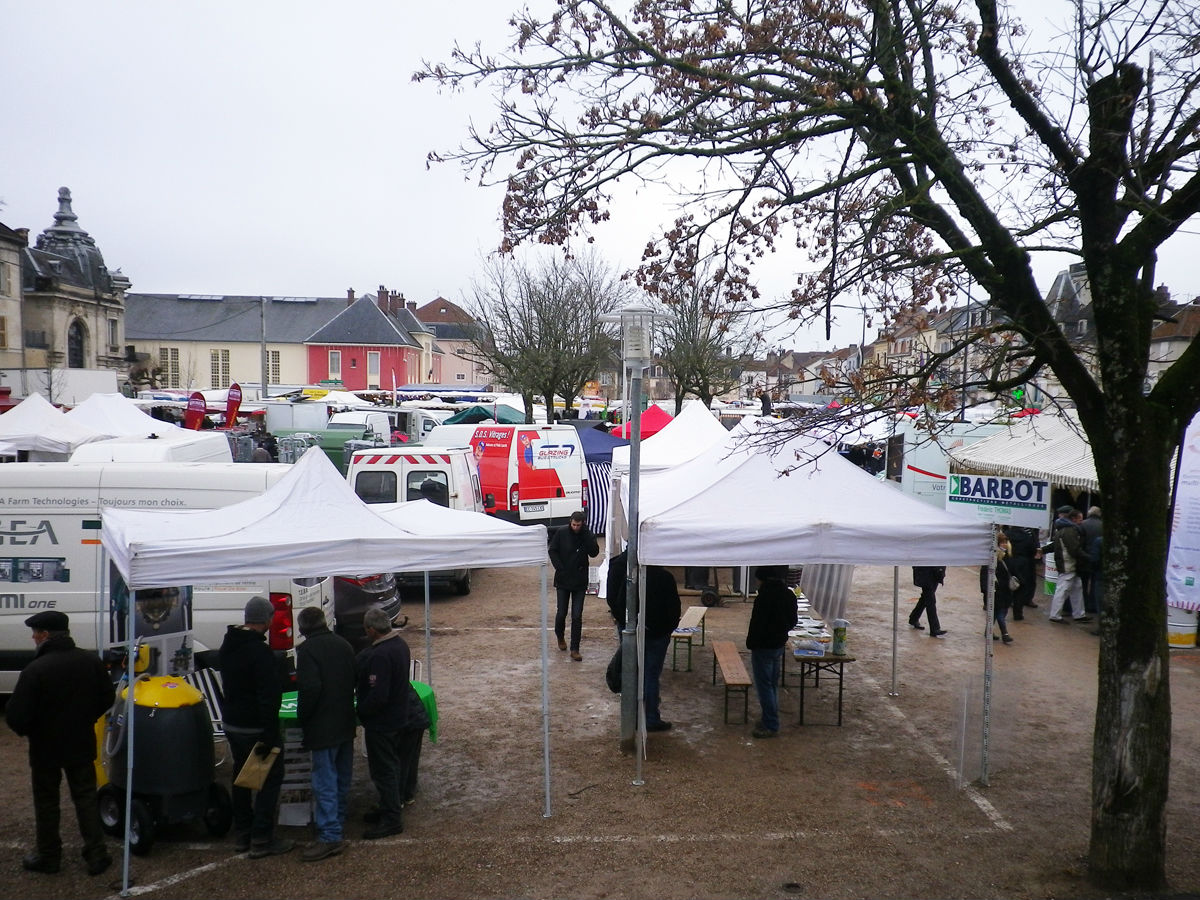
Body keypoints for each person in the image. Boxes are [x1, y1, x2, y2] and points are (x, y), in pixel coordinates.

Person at [6, 611, 115, 877]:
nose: (33, 638)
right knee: (86, 797)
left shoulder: (36, 670)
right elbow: (107, 697)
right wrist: (85, 718)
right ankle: (97, 854)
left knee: (46, 802)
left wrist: (33, 729)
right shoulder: (89, 661)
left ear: (44, 635)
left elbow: (17, 716)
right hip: (79, 740)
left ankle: (49, 855)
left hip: (46, 747)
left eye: (35, 633)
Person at [220, 596, 294, 859]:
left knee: (241, 776)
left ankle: (243, 833)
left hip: (233, 722)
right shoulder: (260, 652)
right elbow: (268, 696)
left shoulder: (229, 644)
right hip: (254, 727)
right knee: (269, 778)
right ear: (267, 619)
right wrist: (271, 734)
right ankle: (262, 837)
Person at [356, 607, 427, 839]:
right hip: (399, 717)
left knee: (384, 770)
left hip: (383, 722)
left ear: (371, 630)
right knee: (393, 767)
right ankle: (390, 808)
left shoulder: (380, 655)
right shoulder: (400, 645)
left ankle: (391, 818)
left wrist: (361, 711)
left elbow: (379, 695)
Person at [295, 606, 357, 862]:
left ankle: (330, 834)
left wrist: (303, 717)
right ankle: (337, 822)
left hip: (322, 726)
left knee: (325, 780)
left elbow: (310, 689)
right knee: (341, 777)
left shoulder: (307, 651)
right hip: (344, 721)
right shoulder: (344, 645)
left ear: (302, 629)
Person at [605, 549, 682, 732]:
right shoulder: (665, 578)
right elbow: (674, 608)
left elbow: (617, 601)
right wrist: (666, 629)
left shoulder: (632, 577)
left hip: (636, 631)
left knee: (632, 672)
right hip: (657, 635)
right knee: (650, 676)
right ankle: (650, 717)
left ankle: (632, 716)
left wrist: (625, 624)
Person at [746, 565, 799, 739]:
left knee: (765, 687)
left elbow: (757, 624)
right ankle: (769, 719)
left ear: (763, 580)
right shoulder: (788, 595)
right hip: (778, 645)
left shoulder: (764, 597)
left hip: (763, 647)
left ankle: (771, 724)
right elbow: (793, 621)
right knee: (772, 685)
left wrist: (751, 643)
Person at [548, 510, 599, 661]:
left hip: (579, 580)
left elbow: (594, 552)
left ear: (583, 524)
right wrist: (560, 567)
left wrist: (587, 536)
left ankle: (575, 648)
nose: (575, 527)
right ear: (570, 522)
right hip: (563, 579)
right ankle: (560, 636)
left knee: (577, 616)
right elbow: (553, 551)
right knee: (561, 612)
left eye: (578, 525)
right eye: (574, 524)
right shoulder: (562, 532)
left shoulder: (587, 535)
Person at [1049, 506, 1092, 624]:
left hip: (1068, 564)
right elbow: (1074, 549)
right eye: (1080, 519)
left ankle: (1078, 613)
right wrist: (1088, 557)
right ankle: (1056, 614)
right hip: (1068, 564)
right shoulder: (1070, 531)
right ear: (1073, 519)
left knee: (1075, 588)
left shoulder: (1062, 529)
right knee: (1064, 589)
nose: (1081, 521)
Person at [980, 532, 1016, 643]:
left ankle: (988, 630)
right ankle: (1005, 634)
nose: (1005, 544)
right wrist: (986, 590)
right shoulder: (992, 557)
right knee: (1000, 612)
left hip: (1005, 590)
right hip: (996, 590)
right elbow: (984, 574)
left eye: (1006, 542)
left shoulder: (1008, 556)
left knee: (998, 612)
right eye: (1002, 542)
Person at [1003, 525, 1041, 620]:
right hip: (1023, 563)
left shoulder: (1006, 535)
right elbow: (1033, 550)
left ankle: (1003, 611)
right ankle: (1018, 613)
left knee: (1007, 585)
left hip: (1008, 561)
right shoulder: (1027, 536)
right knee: (1022, 587)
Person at [909, 566, 948, 637]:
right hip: (925, 573)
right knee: (930, 600)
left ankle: (914, 618)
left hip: (936, 572)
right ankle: (935, 628)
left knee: (926, 598)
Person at [1080, 506, 1103, 615]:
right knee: (1095, 583)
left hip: (1084, 557)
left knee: (1083, 583)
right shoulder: (1103, 525)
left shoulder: (1083, 524)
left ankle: (1083, 604)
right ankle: (1093, 605)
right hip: (1098, 558)